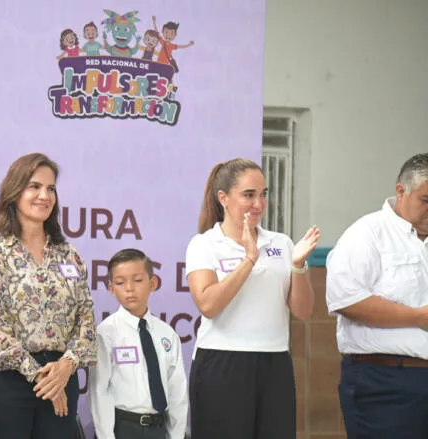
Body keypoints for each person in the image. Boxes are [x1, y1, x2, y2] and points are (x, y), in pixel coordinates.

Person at [185, 158, 320, 439]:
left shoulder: (281, 243)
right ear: (223, 198)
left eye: (263, 194)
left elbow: (303, 310)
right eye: (248, 195)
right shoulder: (204, 244)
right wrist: (249, 259)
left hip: (274, 361)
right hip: (221, 362)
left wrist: (298, 265)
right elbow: (208, 305)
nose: (258, 203)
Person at [0, 152, 97, 439]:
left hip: (61, 377)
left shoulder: (69, 255)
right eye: (34, 187)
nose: (44, 195)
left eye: (51, 189)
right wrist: (42, 376)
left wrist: (65, 367)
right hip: (8, 384)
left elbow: (86, 322)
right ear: (14, 192)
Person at [326, 152, 428, 438]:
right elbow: (346, 300)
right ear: (401, 191)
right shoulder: (367, 234)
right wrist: (418, 317)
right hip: (385, 382)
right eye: (426, 200)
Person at [89, 249, 188, 439]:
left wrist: (176, 435)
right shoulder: (106, 333)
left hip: (158, 427)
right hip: (123, 427)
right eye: (120, 282)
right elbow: (99, 391)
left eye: (137, 280)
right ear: (111, 289)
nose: (129, 288)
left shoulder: (167, 333)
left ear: (153, 283)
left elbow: (177, 390)